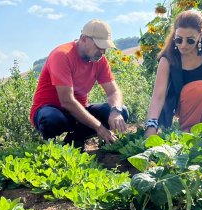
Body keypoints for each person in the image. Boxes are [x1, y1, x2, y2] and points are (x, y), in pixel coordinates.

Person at [30, 19, 129, 149]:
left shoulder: (99, 60)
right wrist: (99, 128)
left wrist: (116, 111)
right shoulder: (62, 55)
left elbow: (113, 92)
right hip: (50, 109)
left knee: (123, 111)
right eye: (99, 46)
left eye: (105, 47)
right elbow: (67, 101)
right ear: (83, 39)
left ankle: (75, 139)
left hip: (78, 111)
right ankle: (51, 148)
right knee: (52, 120)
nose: (103, 52)